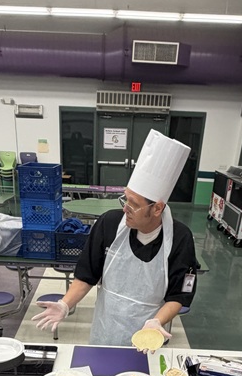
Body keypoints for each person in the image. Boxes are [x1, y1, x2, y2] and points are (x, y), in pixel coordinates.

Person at [32, 130, 197, 347]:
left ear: (157, 209)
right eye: (125, 199)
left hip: (150, 337)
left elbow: (179, 295)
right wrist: (65, 304)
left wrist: (157, 321)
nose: (125, 208)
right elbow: (87, 275)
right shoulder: (109, 224)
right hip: (106, 330)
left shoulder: (180, 238)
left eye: (134, 204)